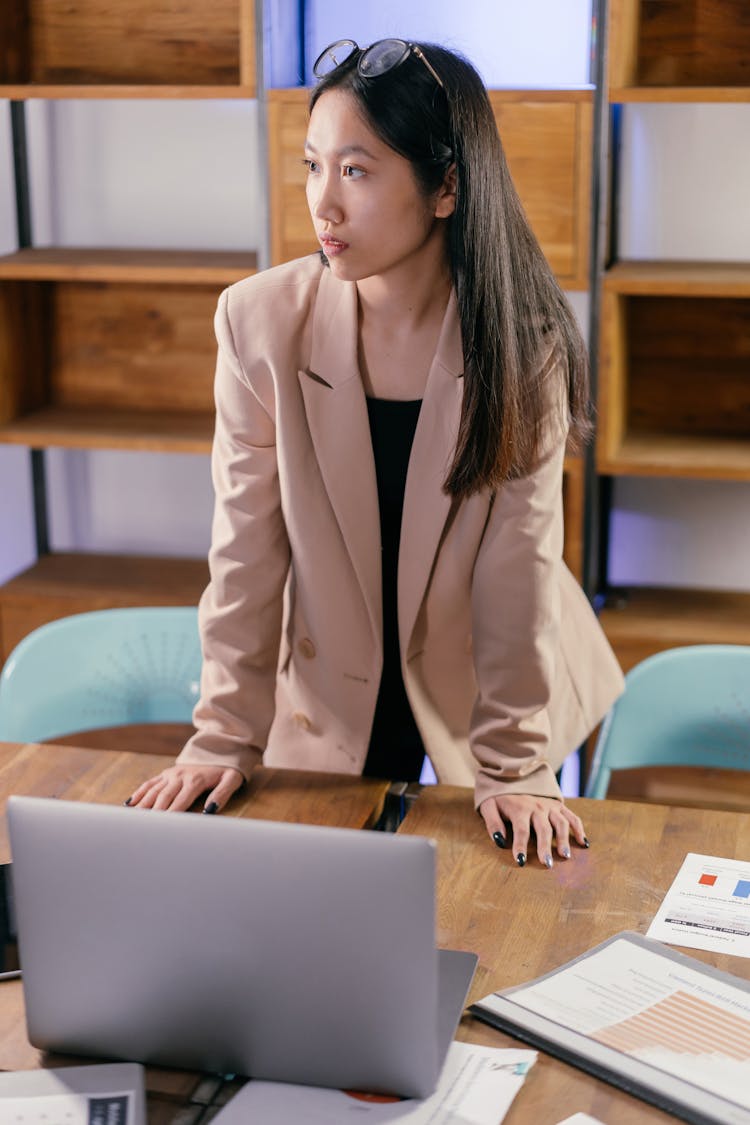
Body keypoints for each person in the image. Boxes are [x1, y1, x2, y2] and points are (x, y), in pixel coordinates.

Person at [127, 38, 624, 867]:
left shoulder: (521, 343)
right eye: (313, 165)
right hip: (331, 685)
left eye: (356, 171)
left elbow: (518, 569)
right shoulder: (257, 323)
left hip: (486, 693)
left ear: (447, 187)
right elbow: (244, 552)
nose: (324, 202)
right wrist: (222, 737)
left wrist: (514, 762)